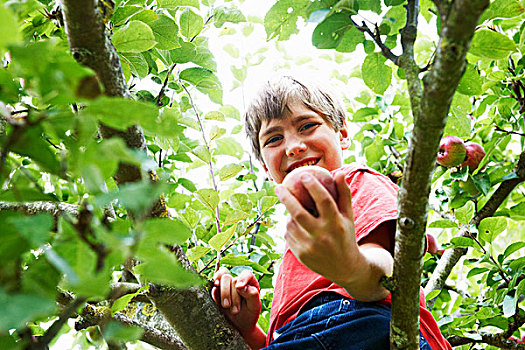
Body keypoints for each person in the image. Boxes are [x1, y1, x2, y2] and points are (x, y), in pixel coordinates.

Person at [211, 75, 451, 350]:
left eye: (307, 126)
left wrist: (355, 269)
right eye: (274, 138)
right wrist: (247, 330)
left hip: (364, 324)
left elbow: (386, 266)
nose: (293, 146)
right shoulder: (300, 243)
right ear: (265, 168)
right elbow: (296, 338)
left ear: (343, 134)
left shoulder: (353, 182)